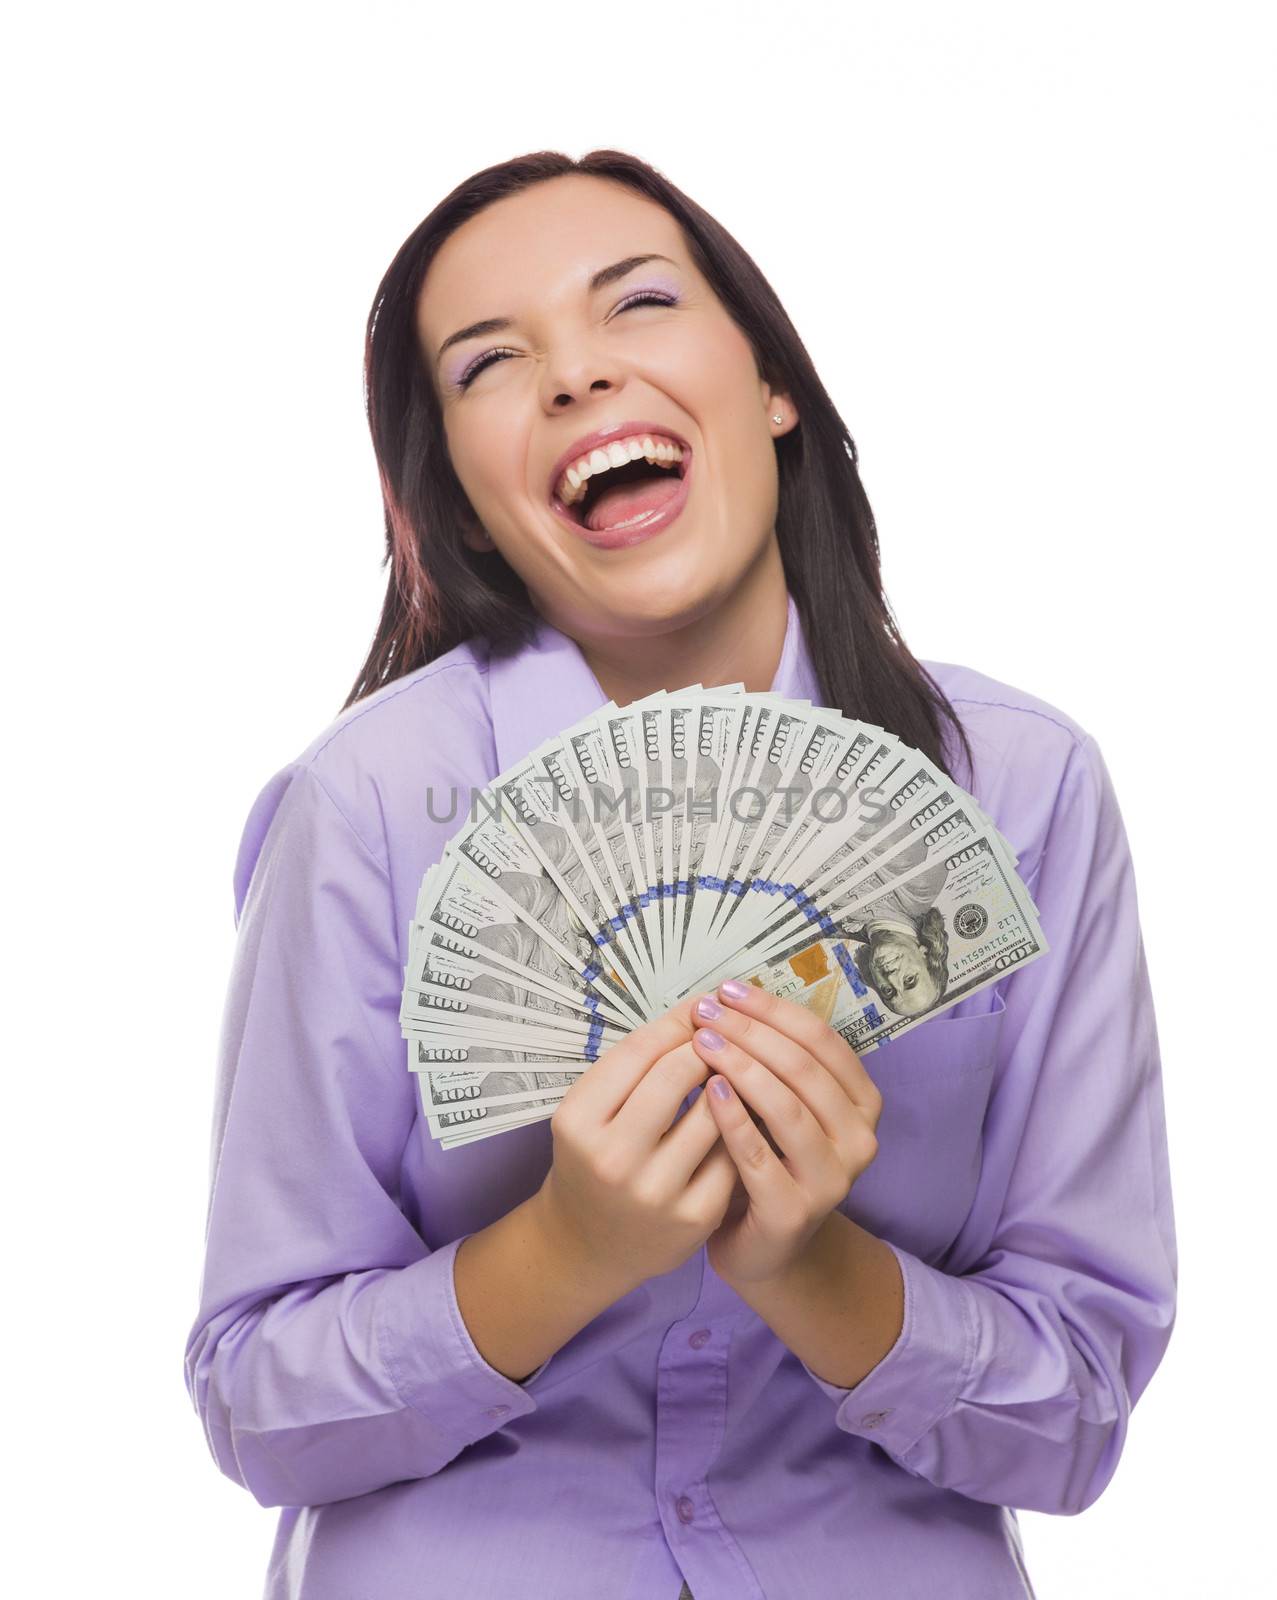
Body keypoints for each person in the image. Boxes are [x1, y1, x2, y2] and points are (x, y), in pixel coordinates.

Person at [183, 149, 1177, 1600]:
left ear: (770, 385)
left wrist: (816, 1273)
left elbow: (1077, 1413)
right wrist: (564, 1250)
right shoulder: (370, 806)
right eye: (486, 365)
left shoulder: (1019, 792)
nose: (576, 378)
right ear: (459, 501)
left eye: (634, 305)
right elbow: (256, 1397)